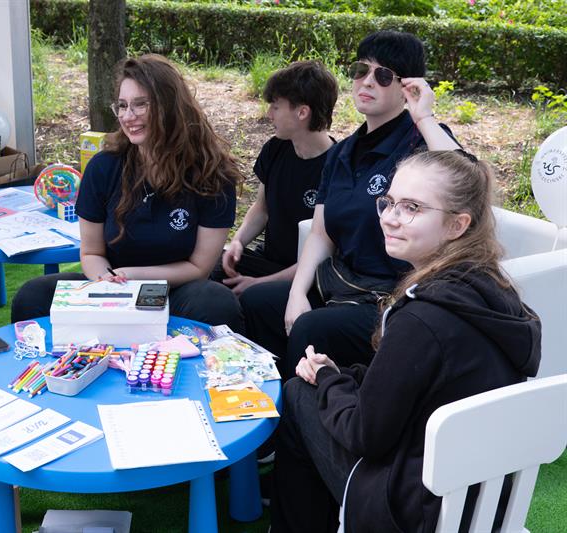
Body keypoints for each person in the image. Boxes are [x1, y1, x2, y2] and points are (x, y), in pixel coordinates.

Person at [271, 150, 541, 533]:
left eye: (412, 207)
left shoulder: (421, 320)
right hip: (480, 497)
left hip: (413, 508)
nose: (389, 217)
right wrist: (341, 376)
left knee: (300, 393)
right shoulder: (495, 291)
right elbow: (421, 388)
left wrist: (328, 380)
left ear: (457, 225)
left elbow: (365, 436)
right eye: (389, 202)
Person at [240, 30, 460, 379]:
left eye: (383, 75)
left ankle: (304, 406)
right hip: (341, 282)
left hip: (394, 295)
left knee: (311, 327)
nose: (367, 82)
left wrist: (424, 116)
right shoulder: (342, 151)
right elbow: (320, 233)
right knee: (259, 302)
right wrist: (297, 293)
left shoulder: (420, 141)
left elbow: (466, 180)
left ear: (407, 87)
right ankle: (269, 394)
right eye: (361, 70)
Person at [11, 54, 244, 330]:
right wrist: (107, 282)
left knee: (216, 302)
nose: (128, 116)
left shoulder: (212, 174)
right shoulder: (104, 167)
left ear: (169, 105)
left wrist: (133, 276)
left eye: (140, 104)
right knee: (33, 296)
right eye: (122, 106)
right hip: (112, 287)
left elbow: (199, 268)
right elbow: (92, 253)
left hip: (177, 290)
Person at [212, 60, 337, 296]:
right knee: (212, 266)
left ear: (302, 112)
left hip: (307, 276)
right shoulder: (276, 148)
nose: (269, 114)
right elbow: (262, 209)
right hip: (267, 260)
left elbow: (319, 257)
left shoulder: (338, 166)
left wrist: (258, 284)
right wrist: (238, 242)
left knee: (255, 297)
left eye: (276, 107)